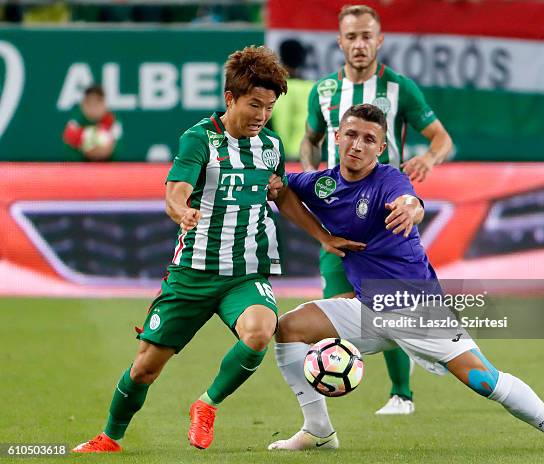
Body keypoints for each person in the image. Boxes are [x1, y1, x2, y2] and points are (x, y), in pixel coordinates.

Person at [72, 46, 364, 454]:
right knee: (145, 369)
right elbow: (175, 191)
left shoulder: (271, 146)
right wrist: (180, 211)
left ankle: (206, 404)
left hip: (245, 274)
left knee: (262, 331)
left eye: (269, 106)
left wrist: (322, 236)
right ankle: (111, 436)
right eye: (254, 105)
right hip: (191, 274)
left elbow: (282, 197)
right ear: (230, 99)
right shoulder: (199, 139)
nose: (263, 115)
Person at [268, 104, 544, 452]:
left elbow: (411, 202)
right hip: (367, 308)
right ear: (337, 137)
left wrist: (410, 210)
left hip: (415, 308)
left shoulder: (388, 179)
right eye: (351, 135)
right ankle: (319, 431)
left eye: (369, 139)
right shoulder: (322, 184)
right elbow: (280, 189)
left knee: (484, 380)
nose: (358, 145)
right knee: (289, 327)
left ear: (381, 148)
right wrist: (321, 235)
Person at [301, 4, 453, 415]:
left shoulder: (400, 87)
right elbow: (310, 139)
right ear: (340, 41)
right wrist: (311, 170)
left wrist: (429, 159)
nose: (360, 44)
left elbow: (441, 138)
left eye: (367, 36)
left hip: (387, 214)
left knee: (391, 304)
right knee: (336, 304)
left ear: (379, 40)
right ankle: (321, 411)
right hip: (338, 214)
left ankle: (401, 394)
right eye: (351, 37)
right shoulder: (324, 91)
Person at [270, 39, 313, 161]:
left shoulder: (273, 89)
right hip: (306, 158)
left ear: (281, 58)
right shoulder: (312, 88)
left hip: (277, 157)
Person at [63, 84, 122, 161]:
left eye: (97, 104)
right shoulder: (75, 123)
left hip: (109, 170)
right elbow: (69, 154)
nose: (93, 108)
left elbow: (117, 151)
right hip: (81, 170)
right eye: (89, 103)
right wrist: (89, 152)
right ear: (83, 105)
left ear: (104, 105)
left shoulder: (112, 120)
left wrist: (105, 151)